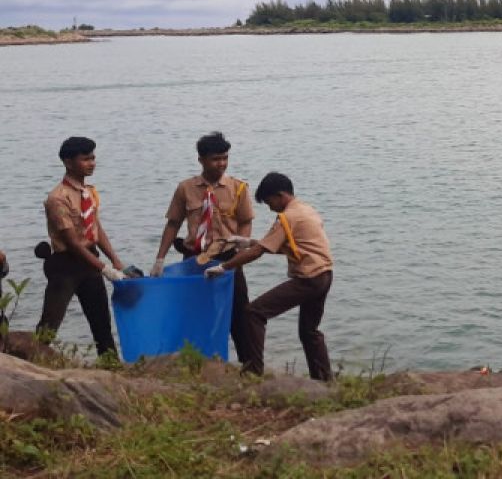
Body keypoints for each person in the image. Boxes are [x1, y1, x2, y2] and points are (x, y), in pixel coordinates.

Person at [204, 172, 333, 381]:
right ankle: (324, 380)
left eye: (269, 202)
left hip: (308, 279)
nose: (270, 207)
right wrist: (250, 242)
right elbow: (292, 246)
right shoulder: (306, 210)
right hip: (324, 275)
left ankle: (253, 373)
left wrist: (224, 267)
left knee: (254, 313)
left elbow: (258, 253)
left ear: (280, 195)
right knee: (309, 332)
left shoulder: (286, 217)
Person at [150, 131, 254, 363]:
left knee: (239, 314)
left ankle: (250, 366)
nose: (222, 163)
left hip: (228, 257)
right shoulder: (185, 188)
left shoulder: (238, 188)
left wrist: (241, 250)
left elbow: (246, 221)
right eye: (216, 159)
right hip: (194, 258)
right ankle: (198, 361)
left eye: (225, 157)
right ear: (201, 160)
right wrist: (160, 259)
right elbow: (173, 224)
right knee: (194, 311)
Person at [34, 136, 125, 356]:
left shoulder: (88, 192)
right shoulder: (58, 198)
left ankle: (110, 366)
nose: (92, 163)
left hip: (89, 261)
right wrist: (104, 268)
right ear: (68, 162)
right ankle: (33, 361)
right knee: (50, 324)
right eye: (85, 159)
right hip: (65, 264)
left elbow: (96, 229)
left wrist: (114, 259)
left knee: (102, 323)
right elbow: (72, 242)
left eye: (93, 158)